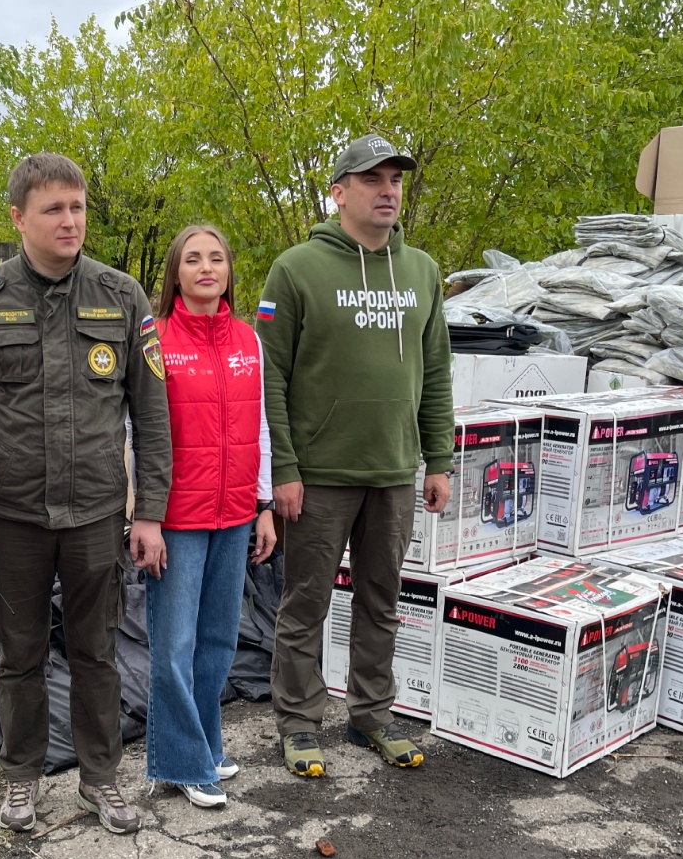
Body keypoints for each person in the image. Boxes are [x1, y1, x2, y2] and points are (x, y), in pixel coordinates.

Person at [0, 153, 172, 835]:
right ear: (18, 217)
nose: (70, 221)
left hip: (98, 514)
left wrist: (149, 512)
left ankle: (101, 781)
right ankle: (21, 780)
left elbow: (152, 414)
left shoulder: (123, 296)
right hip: (12, 520)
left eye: (77, 207)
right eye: (53, 209)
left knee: (98, 652)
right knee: (19, 656)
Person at [258, 133, 455, 778]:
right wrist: (282, 470)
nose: (388, 191)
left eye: (395, 179)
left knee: (382, 602)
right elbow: (271, 379)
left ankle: (372, 713)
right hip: (319, 479)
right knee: (305, 604)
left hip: (394, 474)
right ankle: (298, 722)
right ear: (339, 192)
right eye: (372, 180)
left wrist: (439, 459)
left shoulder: (423, 271)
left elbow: (435, 371)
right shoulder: (295, 270)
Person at [145, 224, 277, 808]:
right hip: (177, 515)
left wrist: (264, 506)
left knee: (219, 640)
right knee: (174, 643)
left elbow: (263, 427)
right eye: (193, 259)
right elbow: (138, 432)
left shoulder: (250, 341)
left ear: (228, 271)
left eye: (216, 258)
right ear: (175, 270)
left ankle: (205, 746)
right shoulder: (155, 338)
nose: (206, 267)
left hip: (235, 512)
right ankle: (183, 763)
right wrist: (141, 515)